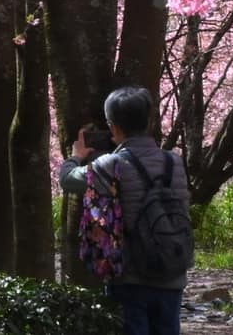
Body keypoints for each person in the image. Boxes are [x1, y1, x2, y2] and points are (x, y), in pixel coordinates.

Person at [61, 86, 192, 335]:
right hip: (171, 270)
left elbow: (67, 180)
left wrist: (76, 156)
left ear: (113, 127)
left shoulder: (111, 164)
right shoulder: (173, 161)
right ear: (149, 120)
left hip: (131, 276)